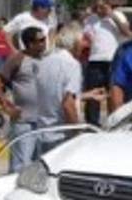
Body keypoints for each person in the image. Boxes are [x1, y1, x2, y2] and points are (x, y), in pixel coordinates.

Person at [36, 25, 103, 157]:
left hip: (43, 133)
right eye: (82, 40)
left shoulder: (45, 61)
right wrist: (77, 133)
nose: (85, 45)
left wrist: (86, 95)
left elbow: (55, 93)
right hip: (61, 136)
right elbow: (67, 104)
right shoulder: (72, 64)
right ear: (74, 43)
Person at [0, 25, 48, 173]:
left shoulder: (48, 59)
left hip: (43, 122)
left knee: (40, 165)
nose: (44, 43)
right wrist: (6, 105)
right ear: (30, 44)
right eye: (40, 40)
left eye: (44, 39)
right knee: (21, 165)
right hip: (24, 122)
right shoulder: (18, 59)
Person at [81, 0, 131, 125]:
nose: (99, 10)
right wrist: (87, 13)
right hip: (94, 61)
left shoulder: (117, 16)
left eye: (102, 7)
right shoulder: (90, 19)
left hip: (112, 60)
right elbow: (84, 32)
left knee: (113, 94)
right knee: (93, 97)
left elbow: (128, 33)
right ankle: (92, 124)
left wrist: (112, 16)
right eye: (97, 7)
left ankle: (114, 122)